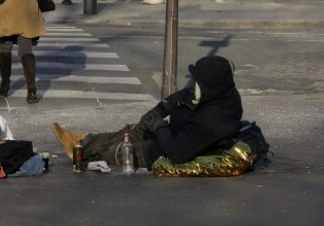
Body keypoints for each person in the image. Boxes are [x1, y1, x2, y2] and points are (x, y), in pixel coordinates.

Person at [53, 55, 243, 170]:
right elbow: (183, 95)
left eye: (196, 82)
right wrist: (159, 111)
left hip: (165, 152)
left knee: (122, 151)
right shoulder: (220, 93)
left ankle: (82, 152)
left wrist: (159, 126)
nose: (192, 86)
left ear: (209, 85)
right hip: (175, 133)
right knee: (133, 130)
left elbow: (178, 152)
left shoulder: (214, 120)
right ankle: (85, 141)